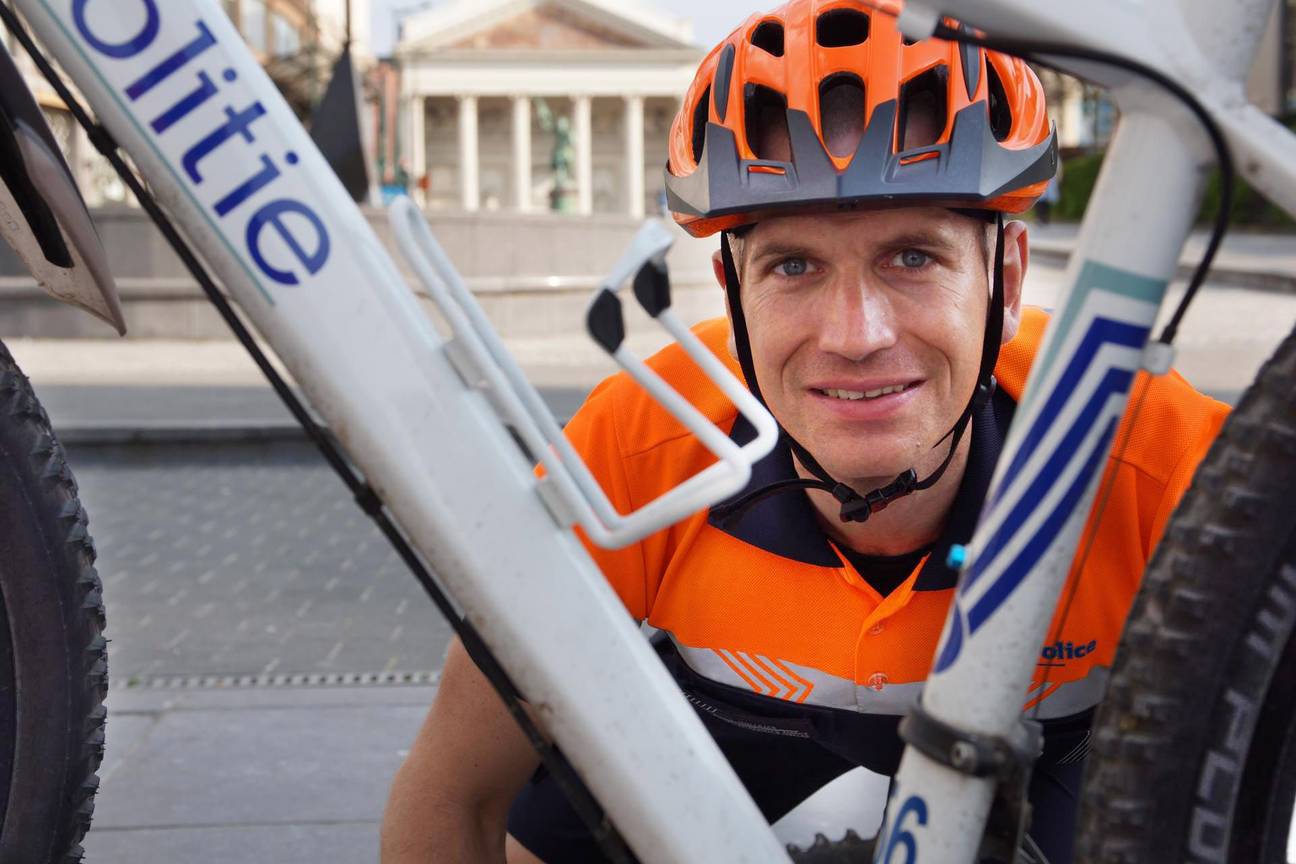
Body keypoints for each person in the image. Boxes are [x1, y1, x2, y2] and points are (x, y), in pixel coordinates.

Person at [380, 3, 1228, 862]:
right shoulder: (644, 440)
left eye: (912, 257)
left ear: (1004, 276)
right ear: (731, 290)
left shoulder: (1149, 447)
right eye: (793, 266)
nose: (855, 335)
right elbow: (457, 794)